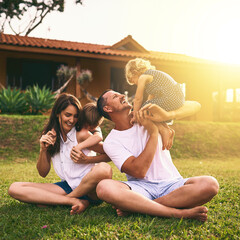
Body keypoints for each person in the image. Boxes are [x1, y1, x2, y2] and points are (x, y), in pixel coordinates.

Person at [96, 90, 219, 222]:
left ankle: (139, 207)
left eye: (120, 94)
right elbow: (139, 171)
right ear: (107, 108)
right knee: (104, 187)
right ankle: (177, 213)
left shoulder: (149, 114)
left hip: (172, 185)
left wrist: (166, 116)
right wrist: (154, 133)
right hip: (141, 189)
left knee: (210, 184)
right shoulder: (111, 141)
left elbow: (195, 105)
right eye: (115, 96)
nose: (122, 95)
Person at [8, 93, 112, 215]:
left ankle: (62, 200)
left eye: (75, 116)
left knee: (104, 169)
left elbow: (110, 154)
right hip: (67, 186)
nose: (72, 120)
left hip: (90, 189)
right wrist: (43, 150)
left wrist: (87, 159)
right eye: (68, 115)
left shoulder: (81, 134)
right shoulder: (51, 136)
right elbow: (43, 173)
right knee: (14, 188)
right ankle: (72, 201)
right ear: (58, 113)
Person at [125, 58, 186, 150]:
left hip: (171, 97)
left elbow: (138, 99)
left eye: (134, 81)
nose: (136, 84)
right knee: (149, 109)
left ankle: (164, 130)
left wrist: (136, 114)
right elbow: (151, 99)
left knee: (143, 110)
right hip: (177, 97)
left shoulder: (143, 77)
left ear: (134, 72)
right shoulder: (153, 77)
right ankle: (167, 129)